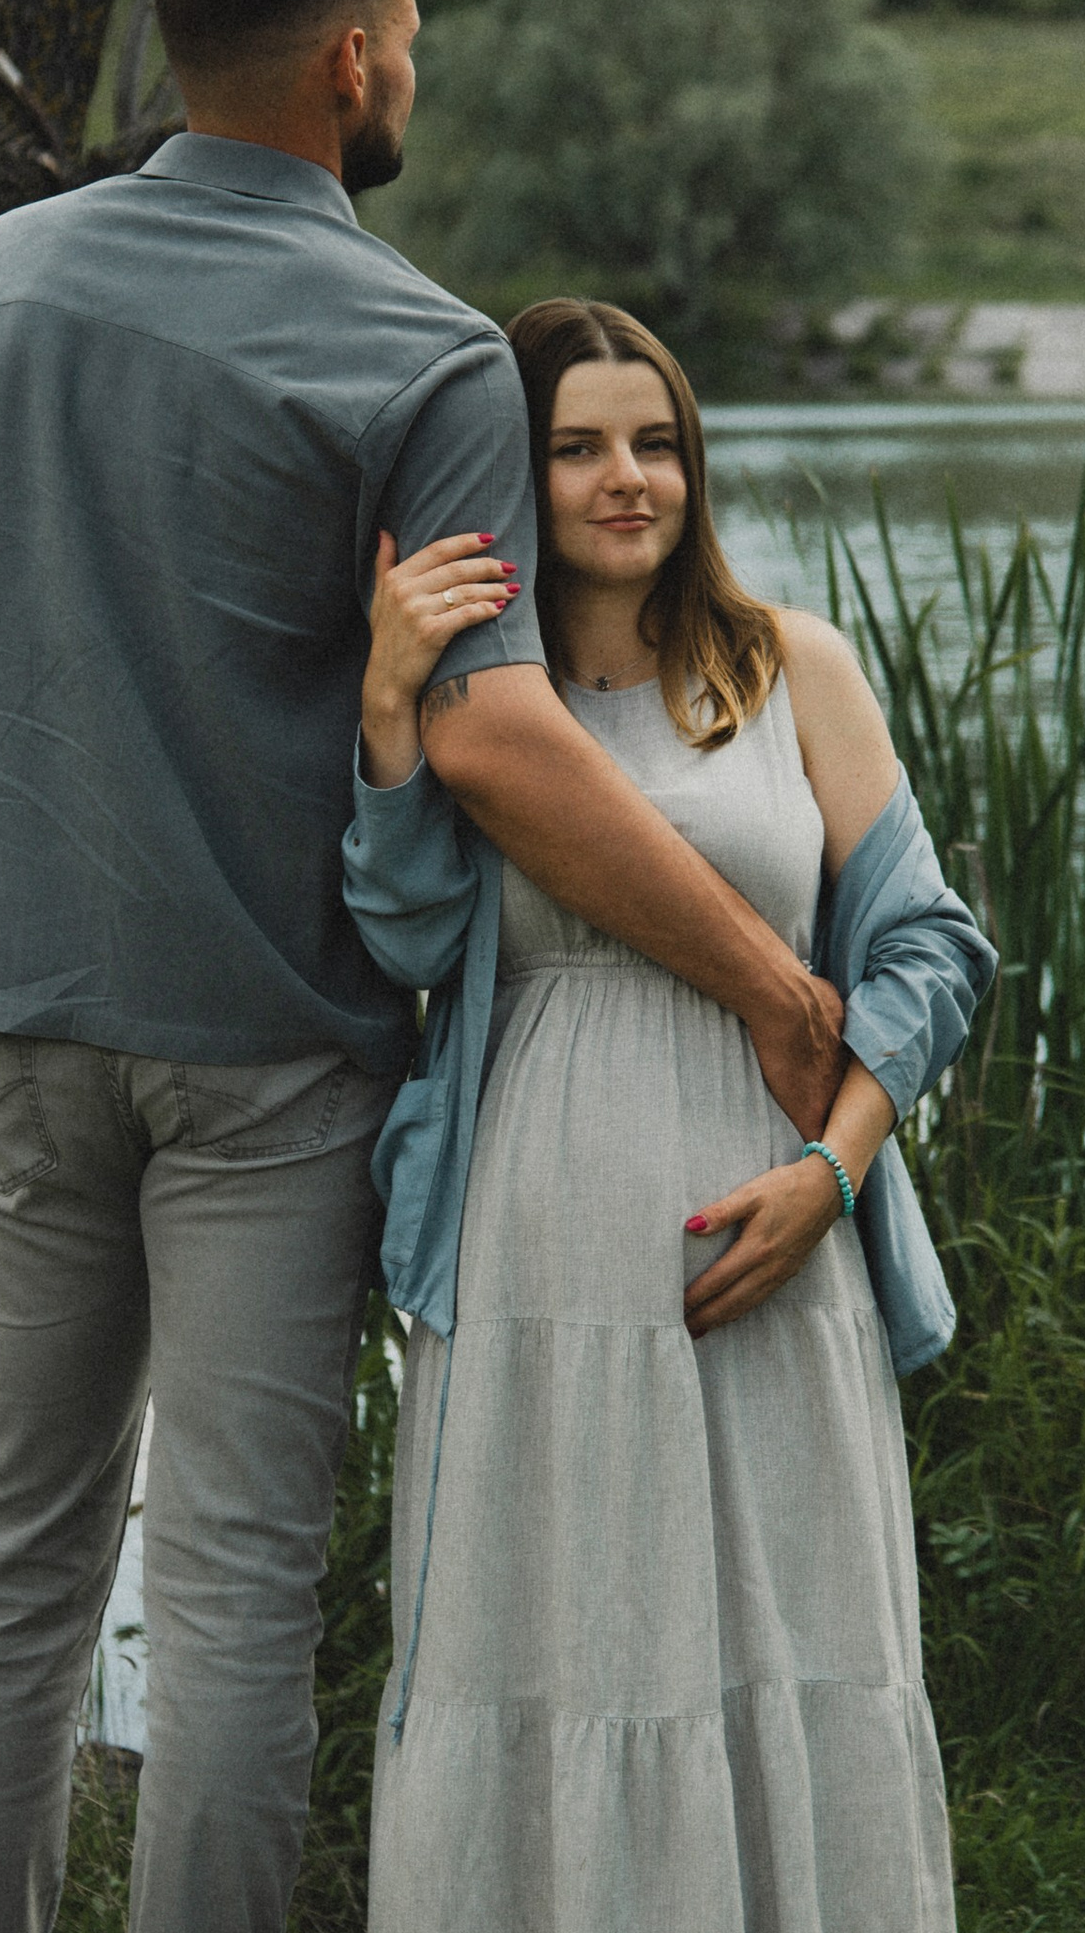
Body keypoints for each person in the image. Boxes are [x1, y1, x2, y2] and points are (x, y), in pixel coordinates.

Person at [0, 0, 845, 1933]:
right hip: (273, 1063)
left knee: (13, 1559)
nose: (413, 62)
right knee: (229, 1588)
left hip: (30, 1031)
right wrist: (764, 965)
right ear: (347, 61)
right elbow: (492, 741)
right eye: (406, 29)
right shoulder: (416, 348)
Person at [342, 297, 997, 1933]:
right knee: (559, 1631)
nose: (626, 479)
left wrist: (830, 1179)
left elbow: (932, 949)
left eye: (656, 443)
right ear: (514, 468)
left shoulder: (789, 669)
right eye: (576, 448)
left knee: (789, 1619)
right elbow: (408, 937)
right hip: (540, 1220)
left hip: (770, 1215)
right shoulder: (488, 706)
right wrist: (384, 714)